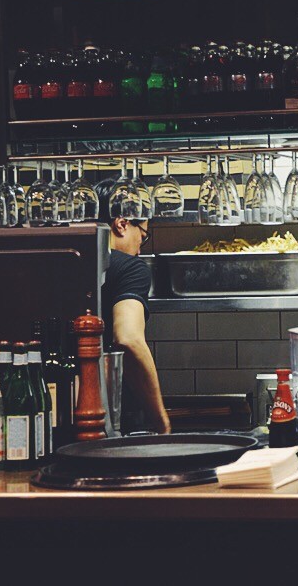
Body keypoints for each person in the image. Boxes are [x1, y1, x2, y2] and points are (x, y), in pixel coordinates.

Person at [95, 178, 170, 434]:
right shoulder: (131, 267)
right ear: (122, 224)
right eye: (143, 236)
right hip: (111, 416)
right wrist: (160, 420)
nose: (139, 248)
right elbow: (128, 339)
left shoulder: (66, 259)